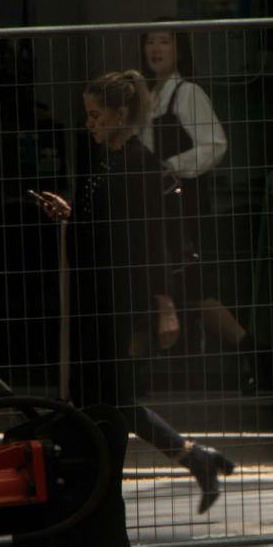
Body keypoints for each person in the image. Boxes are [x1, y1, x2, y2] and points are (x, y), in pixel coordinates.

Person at [34, 70, 235, 514]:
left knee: (111, 399)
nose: (89, 124)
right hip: (99, 296)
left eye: (95, 114)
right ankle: (191, 458)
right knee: (108, 398)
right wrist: (71, 214)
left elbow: (151, 239)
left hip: (121, 299)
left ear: (120, 113)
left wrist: (164, 307)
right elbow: (107, 226)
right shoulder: (108, 157)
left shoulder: (139, 163)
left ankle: (103, 493)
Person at [138, 23, 263, 393]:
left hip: (182, 208)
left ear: (180, 50)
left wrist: (173, 165)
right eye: (150, 42)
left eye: (165, 41)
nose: (156, 48)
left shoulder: (186, 93)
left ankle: (252, 352)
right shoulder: (149, 95)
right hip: (155, 207)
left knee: (191, 289)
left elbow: (215, 144)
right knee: (168, 287)